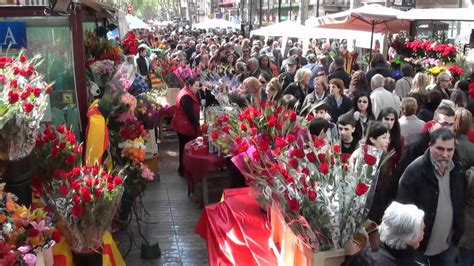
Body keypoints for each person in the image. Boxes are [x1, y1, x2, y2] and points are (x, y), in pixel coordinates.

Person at [396, 128, 465, 266]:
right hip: (419, 249)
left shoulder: (457, 169)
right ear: (430, 145)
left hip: (447, 246)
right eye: (440, 148)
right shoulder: (414, 171)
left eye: (449, 150)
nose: (445, 154)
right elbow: (402, 210)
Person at [344, 202, 425, 266]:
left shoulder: (365, 258)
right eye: (421, 230)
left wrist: (350, 257)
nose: (422, 236)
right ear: (408, 238)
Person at [172, 78, 202, 176]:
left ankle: (183, 168)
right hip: (185, 126)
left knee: (183, 147)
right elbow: (190, 114)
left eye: (198, 86)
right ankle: (184, 168)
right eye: (195, 86)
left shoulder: (186, 92)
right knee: (186, 147)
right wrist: (198, 125)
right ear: (190, 85)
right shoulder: (186, 96)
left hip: (182, 124)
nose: (197, 88)